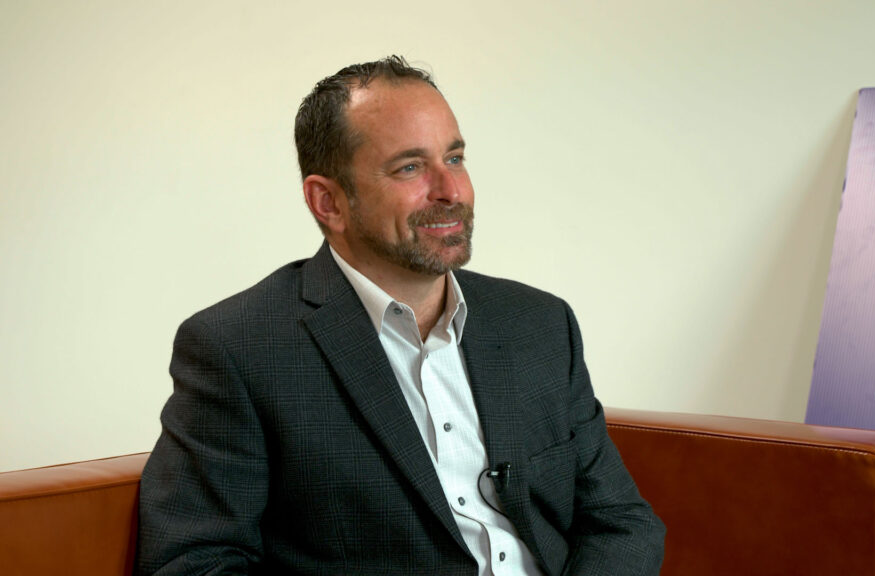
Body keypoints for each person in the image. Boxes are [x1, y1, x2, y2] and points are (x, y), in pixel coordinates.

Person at [136, 56, 665, 576]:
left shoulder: (541, 324)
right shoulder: (238, 348)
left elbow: (619, 521)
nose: (451, 191)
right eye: (410, 167)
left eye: (454, 158)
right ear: (328, 203)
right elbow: (193, 562)